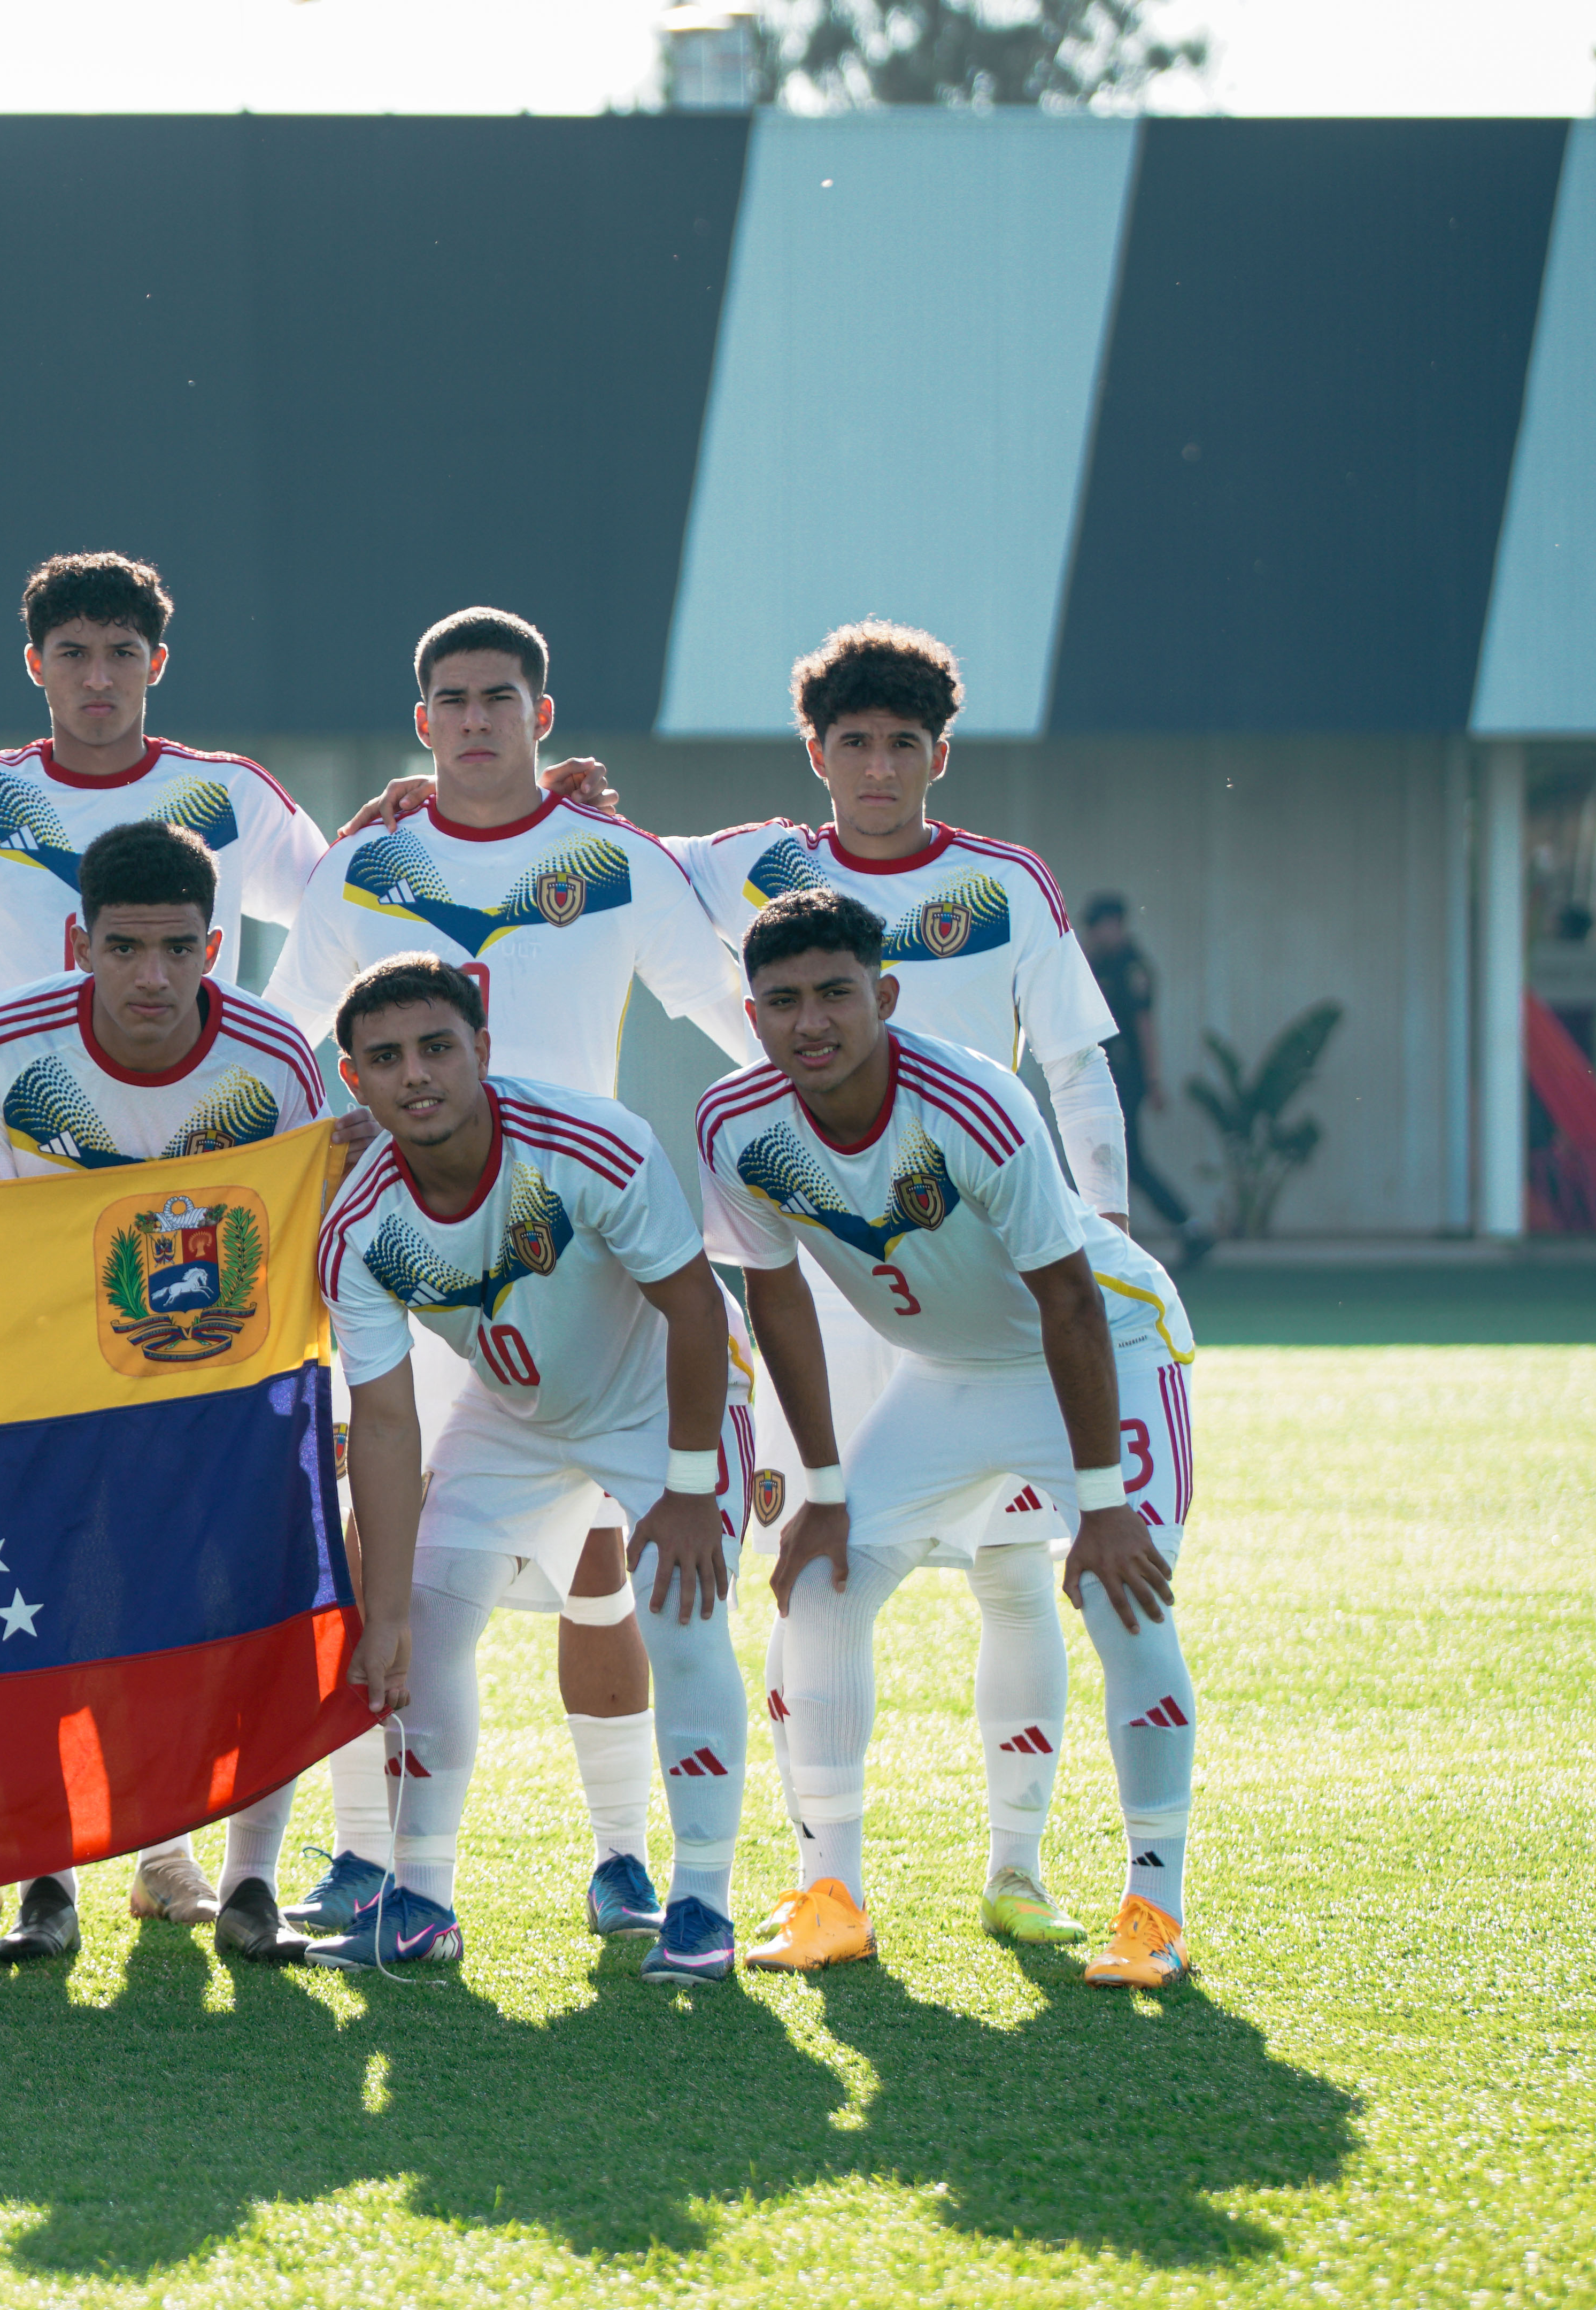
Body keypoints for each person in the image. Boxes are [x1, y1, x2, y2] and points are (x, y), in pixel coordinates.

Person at [343, 618, 1140, 1946]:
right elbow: (602, 853)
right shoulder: (751, 863)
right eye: (850, 745)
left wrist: (1101, 1228)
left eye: (899, 746)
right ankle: (823, 1878)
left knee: (1008, 1571)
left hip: (978, 1271)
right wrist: (458, 803)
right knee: (808, 1570)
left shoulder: (1007, 883)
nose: (874, 770)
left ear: (937, 754)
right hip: (818, 1277)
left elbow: (1074, 1065)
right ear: (813, 753)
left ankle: (1017, 1867)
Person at [265, 607, 758, 1951]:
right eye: (449, 700)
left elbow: (739, 1023)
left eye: (499, 696)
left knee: (621, 1575)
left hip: (595, 1260)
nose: (474, 719)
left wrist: (810, 1183)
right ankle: (377, 1861)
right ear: (420, 723)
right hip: (437, 1275)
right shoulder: (364, 862)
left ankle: (646, 1870)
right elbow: (279, 1046)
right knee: (396, 1552)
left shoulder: (611, 857)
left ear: (543, 715)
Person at [700, 887, 1199, 1990]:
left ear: (884, 995)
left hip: (1104, 1341)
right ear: (753, 1013)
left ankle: (1152, 1909)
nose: (811, 1023)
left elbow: (1068, 1298)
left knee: (1123, 1594)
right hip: (952, 1371)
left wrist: (1103, 1504)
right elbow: (775, 1299)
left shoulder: (971, 1099)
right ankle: (830, 1897)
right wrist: (824, 1486)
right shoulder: (734, 1125)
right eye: (782, 1001)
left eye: (836, 993)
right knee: (821, 1583)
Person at [307, 956, 757, 1981]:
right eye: (386, 1058)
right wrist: (384, 1608)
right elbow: (384, 1423)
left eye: (436, 1048)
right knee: (423, 1617)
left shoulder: (586, 1140)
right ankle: (419, 1899)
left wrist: (689, 1487)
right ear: (354, 1080)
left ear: (484, 1052)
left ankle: (701, 1904)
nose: (415, 1075)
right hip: (514, 1412)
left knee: (680, 1614)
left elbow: (693, 1308)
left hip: (664, 1395)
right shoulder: (360, 1224)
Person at [0, 819, 329, 1964]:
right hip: (45, 1386)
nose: (152, 976)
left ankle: (236, 1878)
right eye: (124, 948)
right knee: (33, 1624)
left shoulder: (272, 1057)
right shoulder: (9, 1042)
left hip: (220, 1395)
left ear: (218, 945)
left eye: (179, 948)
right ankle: (43, 1879)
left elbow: (298, 1237)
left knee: (241, 1625)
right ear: (79, 942)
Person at [0, 552, 325, 1007]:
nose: (98, 680)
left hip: (188, 1082)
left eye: (121, 653)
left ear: (156, 663)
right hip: (20, 1080)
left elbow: (343, 924)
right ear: (36, 664)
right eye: (73, 654)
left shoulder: (231, 795)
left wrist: (267, 1045)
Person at [1082, 895, 1213, 1269]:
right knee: (1111, 1161)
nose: (1095, 934)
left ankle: (1188, 1228)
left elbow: (1145, 1027)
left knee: (1128, 1162)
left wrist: (1154, 1081)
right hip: (1101, 1077)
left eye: (1100, 926)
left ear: (1117, 925)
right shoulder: (1097, 964)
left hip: (1126, 1079)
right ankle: (1183, 1229)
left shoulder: (1130, 968)